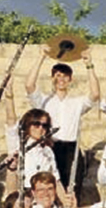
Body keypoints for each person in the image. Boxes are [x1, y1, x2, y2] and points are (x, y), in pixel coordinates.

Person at [24, 49, 100, 191]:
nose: (61, 79)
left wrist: (89, 64)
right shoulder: (43, 100)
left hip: (71, 150)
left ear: (70, 79)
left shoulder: (77, 102)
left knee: (72, 191)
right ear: (52, 78)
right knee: (50, 189)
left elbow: (95, 94)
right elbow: (29, 85)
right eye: (58, 75)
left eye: (65, 76)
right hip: (49, 147)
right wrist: (41, 57)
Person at [2, 106, 58, 188]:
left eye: (44, 125)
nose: (41, 128)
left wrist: (66, 200)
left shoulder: (48, 151)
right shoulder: (17, 144)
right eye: (36, 124)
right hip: (22, 195)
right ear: (28, 125)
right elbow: (11, 121)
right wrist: (9, 98)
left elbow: (56, 180)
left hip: (42, 195)